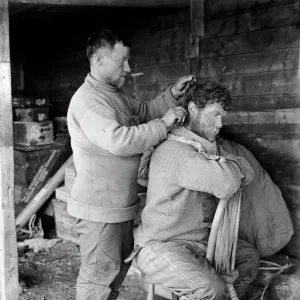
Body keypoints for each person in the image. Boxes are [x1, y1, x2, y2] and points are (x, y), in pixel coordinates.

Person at [66, 29, 194, 300]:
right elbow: (119, 141)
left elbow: (144, 111)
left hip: (119, 204)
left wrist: (171, 95)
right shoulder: (89, 100)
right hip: (99, 208)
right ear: (100, 59)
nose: (128, 67)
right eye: (121, 60)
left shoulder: (115, 94)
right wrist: (164, 124)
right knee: (98, 279)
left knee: (115, 273)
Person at [134, 81, 260, 300]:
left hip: (199, 241)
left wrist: (225, 164)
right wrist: (226, 166)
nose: (220, 124)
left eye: (222, 116)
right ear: (193, 109)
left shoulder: (204, 148)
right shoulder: (176, 150)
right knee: (209, 288)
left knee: (248, 258)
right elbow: (227, 183)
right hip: (161, 245)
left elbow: (247, 170)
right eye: (214, 115)